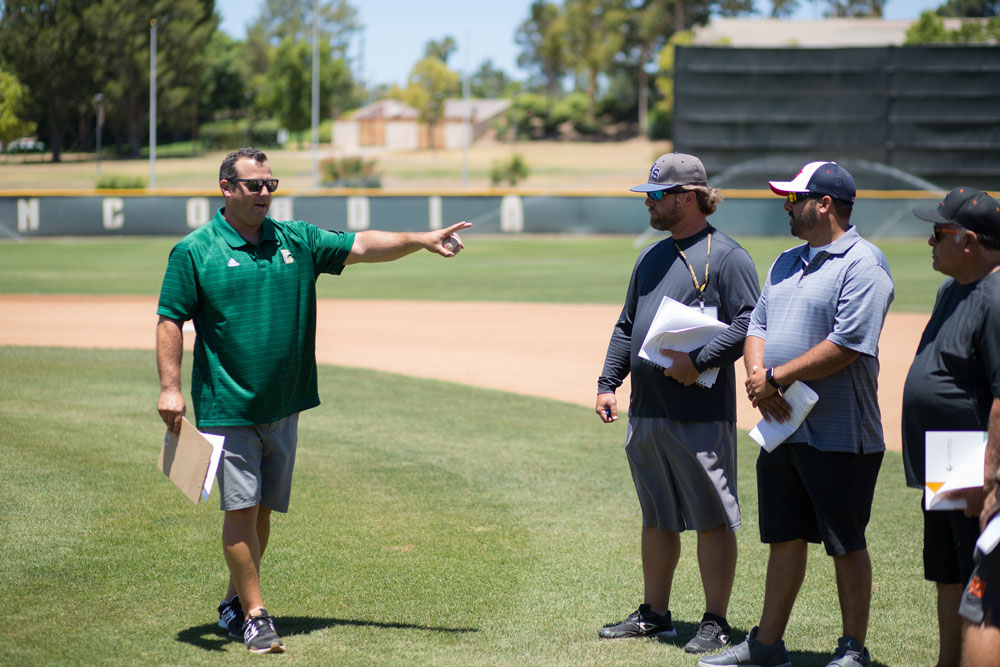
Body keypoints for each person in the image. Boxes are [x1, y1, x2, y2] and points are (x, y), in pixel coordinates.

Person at [155, 147, 469, 654]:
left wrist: (421, 239)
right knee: (239, 509)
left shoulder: (294, 239)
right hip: (228, 405)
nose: (264, 194)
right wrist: (170, 386)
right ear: (227, 188)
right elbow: (170, 318)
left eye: (271, 185)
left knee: (261, 512)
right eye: (254, 185)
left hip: (285, 402)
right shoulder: (195, 250)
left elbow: (364, 245)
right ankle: (256, 616)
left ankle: (235, 605)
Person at [702, 162, 894, 667]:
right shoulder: (786, 261)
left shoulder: (864, 264)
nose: (786, 206)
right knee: (784, 536)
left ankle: (853, 649)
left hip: (841, 431)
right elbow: (757, 323)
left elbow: (848, 344)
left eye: (794, 199)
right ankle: (767, 645)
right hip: (783, 428)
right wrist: (759, 376)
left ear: (825, 204)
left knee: (845, 542)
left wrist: (777, 377)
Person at [595, 153, 760, 654]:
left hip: (700, 413)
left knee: (711, 517)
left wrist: (701, 358)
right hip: (647, 410)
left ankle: (715, 621)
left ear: (688, 197)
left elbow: (752, 321)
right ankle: (656, 615)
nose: (648, 201)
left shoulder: (728, 257)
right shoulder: (650, 258)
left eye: (656, 194)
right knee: (657, 517)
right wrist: (608, 381)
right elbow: (627, 324)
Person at [901, 188, 1000, 667]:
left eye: (938, 233)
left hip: (971, 456)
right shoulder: (951, 289)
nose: (930, 242)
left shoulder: (997, 297)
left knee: (977, 571)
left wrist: (989, 474)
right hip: (945, 454)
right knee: (946, 570)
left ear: (969, 241)